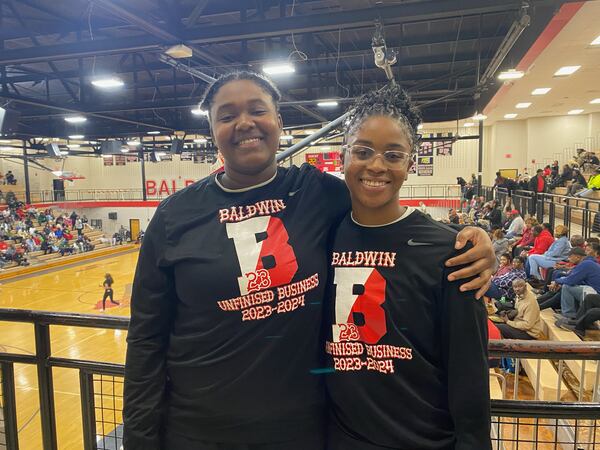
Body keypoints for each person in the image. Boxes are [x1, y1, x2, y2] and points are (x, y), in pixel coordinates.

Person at [122, 71, 495, 450]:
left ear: (279, 122)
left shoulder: (318, 193)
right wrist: (139, 439)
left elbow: (384, 213)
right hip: (197, 433)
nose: (245, 123)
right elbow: (145, 341)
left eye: (257, 110)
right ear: (212, 129)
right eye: (227, 115)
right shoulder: (173, 217)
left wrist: (474, 239)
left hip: (304, 432)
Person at [325, 84, 490, 450]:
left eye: (393, 155)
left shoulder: (451, 251)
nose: (376, 165)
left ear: (411, 163)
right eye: (363, 151)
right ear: (343, 156)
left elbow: (469, 373)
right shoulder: (321, 237)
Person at [553, 247, 600, 321]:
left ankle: (568, 315)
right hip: (592, 290)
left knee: (566, 287)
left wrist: (556, 281)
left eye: (570, 256)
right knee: (567, 285)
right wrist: (559, 281)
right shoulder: (588, 263)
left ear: (577, 257)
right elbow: (573, 279)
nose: (569, 259)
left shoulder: (586, 263)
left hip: (595, 294)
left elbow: (571, 280)